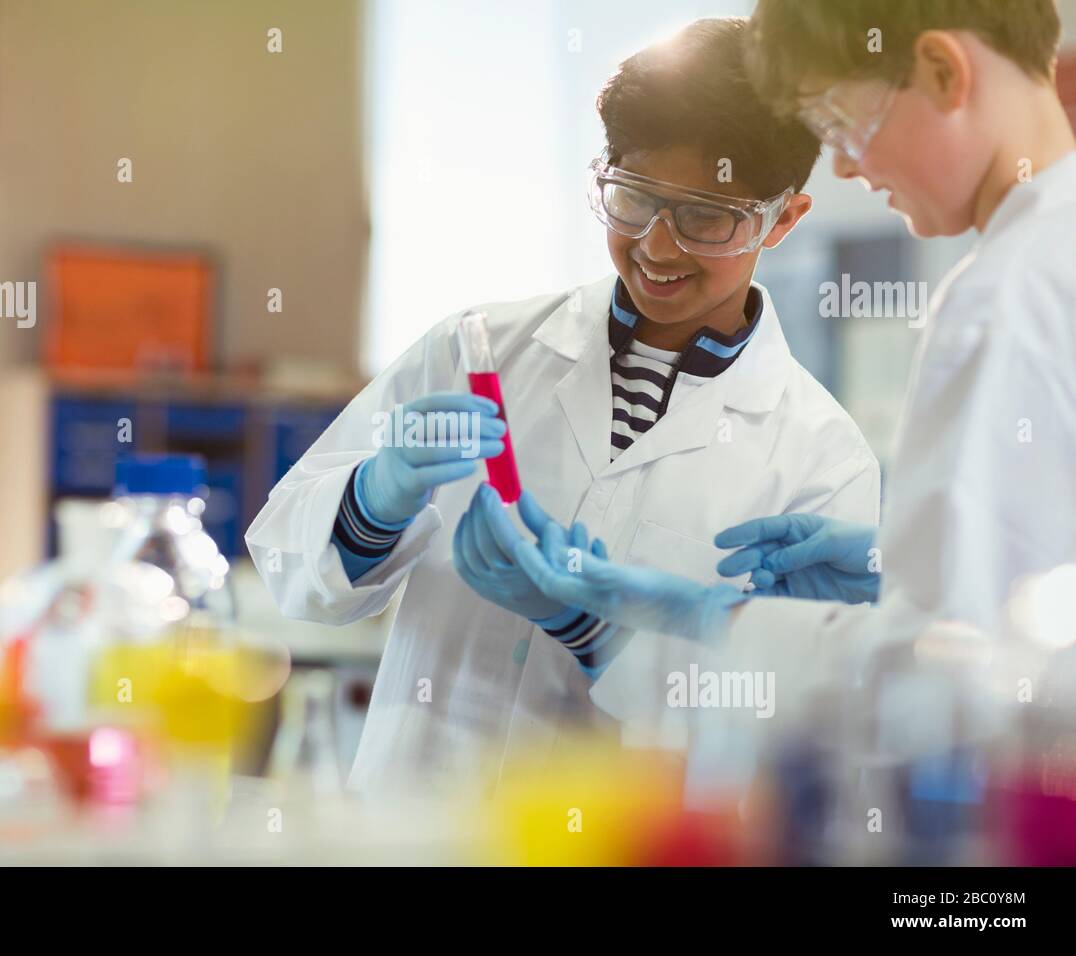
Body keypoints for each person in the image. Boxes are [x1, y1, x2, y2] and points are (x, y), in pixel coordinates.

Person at [245, 17, 879, 792]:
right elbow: (289, 570)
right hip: (410, 824)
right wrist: (373, 498)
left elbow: (786, 730)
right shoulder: (476, 348)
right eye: (635, 198)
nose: (657, 246)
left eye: (706, 218)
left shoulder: (821, 456)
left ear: (782, 218)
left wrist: (593, 631)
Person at [503, 0, 1076, 721]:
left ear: (941, 71)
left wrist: (699, 622)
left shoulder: (1007, 294)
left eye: (840, 122)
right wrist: (893, 570)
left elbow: (948, 689)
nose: (843, 164)